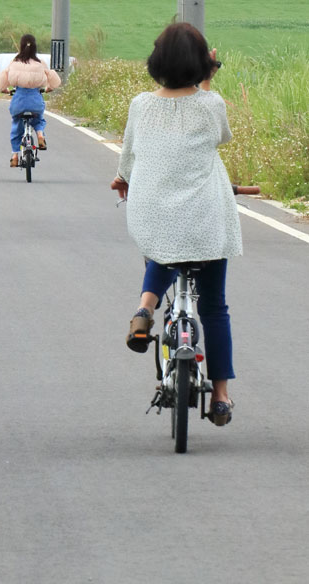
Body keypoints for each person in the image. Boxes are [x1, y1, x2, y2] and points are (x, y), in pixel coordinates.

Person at [110, 21, 242, 427]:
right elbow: (222, 137)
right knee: (215, 308)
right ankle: (220, 396)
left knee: (164, 243)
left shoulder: (140, 105)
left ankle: (144, 307)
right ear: (204, 65)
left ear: (156, 62)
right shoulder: (212, 104)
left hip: (152, 215)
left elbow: (128, 159)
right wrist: (207, 79)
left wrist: (122, 180)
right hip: (206, 221)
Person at [0, 34, 61, 167]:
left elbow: (3, 79)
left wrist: (5, 90)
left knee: (16, 126)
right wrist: (49, 88)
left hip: (18, 100)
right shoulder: (40, 62)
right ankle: (40, 135)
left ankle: (14, 156)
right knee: (39, 119)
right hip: (35, 99)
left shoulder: (15, 62)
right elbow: (53, 77)